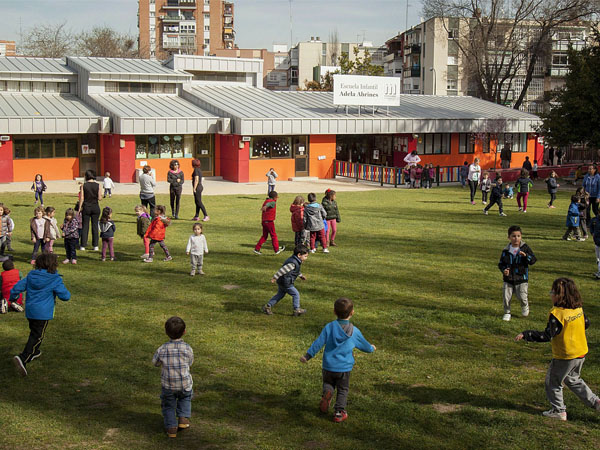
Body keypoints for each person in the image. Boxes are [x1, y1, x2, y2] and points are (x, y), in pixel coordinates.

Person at [515, 278, 600, 421]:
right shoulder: (578, 309)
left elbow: (547, 335)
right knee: (573, 379)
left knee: (553, 381)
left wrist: (527, 334)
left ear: (559, 296)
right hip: (580, 353)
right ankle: (596, 402)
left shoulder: (557, 314)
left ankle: (558, 410)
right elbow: (586, 323)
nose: (550, 295)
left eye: (552, 292)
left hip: (565, 356)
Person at [300, 297, 376, 423]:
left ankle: (327, 392)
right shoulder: (354, 331)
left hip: (328, 366)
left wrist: (308, 356)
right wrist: (371, 348)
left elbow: (318, 343)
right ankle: (339, 412)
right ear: (352, 313)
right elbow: (365, 346)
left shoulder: (329, 327)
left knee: (328, 383)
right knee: (343, 389)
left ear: (334, 312)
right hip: (344, 368)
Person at [11, 253, 71, 377]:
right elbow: (65, 296)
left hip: (31, 311)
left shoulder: (31, 276)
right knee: (37, 336)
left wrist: (13, 298)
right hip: (42, 313)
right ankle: (24, 357)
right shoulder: (54, 279)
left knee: (34, 331)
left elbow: (17, 288)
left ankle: (34, 352)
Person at [152, 316, 194, 438]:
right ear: (184, 332)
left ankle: (171, 428)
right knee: (185, 398)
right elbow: (190, 362)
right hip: (185, 383)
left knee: (168, 405)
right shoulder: (187, 348)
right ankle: (183, 419)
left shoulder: (162, 349)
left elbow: (155, 362)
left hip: (168, 385)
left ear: (166, 332)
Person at [498, 225, 537, 321]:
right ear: (509, 237)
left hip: (521, 277)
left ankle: (525, 306)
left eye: (518, 236)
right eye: (513, 236)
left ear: (521, 237)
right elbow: (501, 263)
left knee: (522, 296)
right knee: (506, 296)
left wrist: (526, 256)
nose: (516, 238)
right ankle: (507, 312)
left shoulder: (525, 248)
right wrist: (504, 270)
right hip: (508, 279)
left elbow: (533, 260)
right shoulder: (506, 250)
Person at [262, 244, 309, 316]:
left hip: (283, 281)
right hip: (286, 282)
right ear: (299, 255)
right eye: (305, 256)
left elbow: (295, 271)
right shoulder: (292, 263)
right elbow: (282, 270)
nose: (306, 258)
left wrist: (301, 276)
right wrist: (274, 277)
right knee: (295, 294)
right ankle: (297, 309)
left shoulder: (295, 261)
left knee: (280, 295)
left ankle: (267, 306)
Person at [253, 190, 285, 255]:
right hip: (269, 222)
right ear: (274, 197)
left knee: (264, 236)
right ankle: (276, 250)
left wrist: (266, 206)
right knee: (273, 235)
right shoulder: (272, 202)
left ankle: (257, 248)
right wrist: (266, 206)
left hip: (264, 221)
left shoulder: (266, 200)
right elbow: (270, 204)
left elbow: (268, 203)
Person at [80, 170, 102, 251]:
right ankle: (95, 245)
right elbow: (100, 198)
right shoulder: (98, 185)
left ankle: (83, 245)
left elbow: (82, 198)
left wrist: (79, 208)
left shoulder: (84, 185)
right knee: (95, 226)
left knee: (85, 226)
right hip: (95, 207)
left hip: (86, 207)